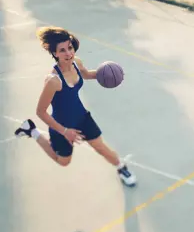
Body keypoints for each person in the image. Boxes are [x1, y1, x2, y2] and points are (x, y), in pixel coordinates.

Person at [14, 26, 137, 187]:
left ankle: (121, 168)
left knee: (100, 146)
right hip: (62, 125)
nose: (68, 53)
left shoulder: (76, 63)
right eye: (62, 50)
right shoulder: (53, 81)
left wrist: (111, 75)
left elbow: (87, 74)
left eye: (70, 48)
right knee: (63, 161)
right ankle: (32, 131)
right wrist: (65, 132)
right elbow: (41, 112)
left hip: (81, 117)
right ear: (55, 54)